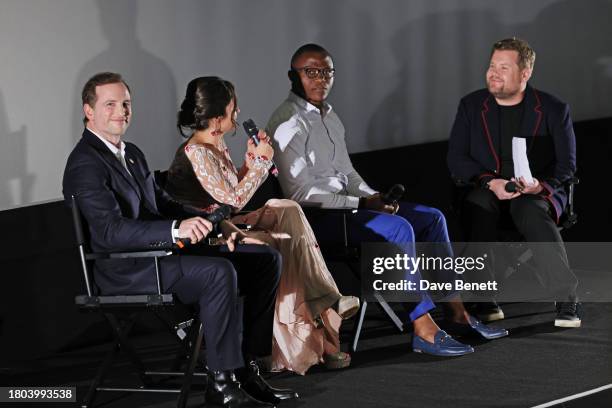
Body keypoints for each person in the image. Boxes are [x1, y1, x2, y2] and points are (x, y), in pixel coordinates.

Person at [62, 72, 297, 408]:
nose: (121, 111)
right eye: (110, 104)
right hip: (124, 270)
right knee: (218, 274)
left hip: (155, 255)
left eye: (125, 103)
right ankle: (222, 382)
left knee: (264, 261)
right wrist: (176, 230)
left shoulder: (131, 154)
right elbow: (110, 233)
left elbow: (163, 204)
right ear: (89, 111)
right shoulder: (85, 163)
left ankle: (246, 368)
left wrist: (212, 225)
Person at [267, 44, 508, 357]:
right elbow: (299, 195)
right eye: (310, 72)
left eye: (327, 71)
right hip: (318, 221)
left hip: (352, 207)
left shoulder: (329, 117)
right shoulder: (288, 123)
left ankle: (457, 313)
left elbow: (348, 174)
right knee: (399, 228)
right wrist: (361, 205)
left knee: (432, 217)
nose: (320, 79)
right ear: (293, 76)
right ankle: (423, 328)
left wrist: (372, 197)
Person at [165, 76, 361, 374]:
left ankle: (327, 306)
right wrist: (260, 165)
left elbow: (231, 188)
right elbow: (232, 202)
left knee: (288, 209)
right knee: (282, 241)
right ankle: (325, 314)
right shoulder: (197, 152)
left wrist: (248, 163)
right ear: (218, 118)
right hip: (211, 236)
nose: (239, 113)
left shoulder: (216, 144)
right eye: (233, 108)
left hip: (230, 224)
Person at [447, 37, 581, 328]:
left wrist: (539, 187)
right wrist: (489, 182)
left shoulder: (554, 109)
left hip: (536, 190)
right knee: (479, 206)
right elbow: (457, 159)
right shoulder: (471, 105)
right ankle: (484, 297)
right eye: (492, 65)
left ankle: (566, 295)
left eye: (503, 67)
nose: (493, 73)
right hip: (488, 188)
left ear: (525, 73)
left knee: (530, 210)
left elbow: (566, 165)